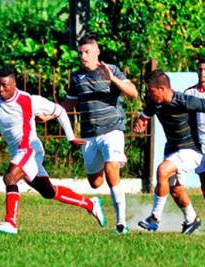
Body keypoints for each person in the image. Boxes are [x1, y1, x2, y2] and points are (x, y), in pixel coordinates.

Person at [0, 66, 106, 235]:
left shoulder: (28, 100)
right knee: (48, 191)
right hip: (17, 152)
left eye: (5, 85)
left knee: (10, 178)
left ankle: (10, 222)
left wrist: (70, 137)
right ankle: (91, 204)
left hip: (30, 149)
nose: (0, 89)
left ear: (14, 84)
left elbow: (60, 111)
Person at [62, 36, 138, 234]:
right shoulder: (77, 77)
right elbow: (68, 104)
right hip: (89, 135)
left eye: (87, 52)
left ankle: (121, 223)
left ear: (97, 53)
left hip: (112, 129)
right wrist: (48, 113)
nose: (83, 56)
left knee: (111, 170)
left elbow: (133, 93)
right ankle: (111, 164)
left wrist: (112, 79)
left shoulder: (111, 69)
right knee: (95, 183)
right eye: (81, 52)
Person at [134, 69, 203, 234]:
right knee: (175, 189)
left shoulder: (183, 100)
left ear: (163, 89)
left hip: (191, 150)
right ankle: (191, 219)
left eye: (152, 92)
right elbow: (146, 114)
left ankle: (154, 218)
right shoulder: (154, 102)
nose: (150, 95)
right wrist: (141, 122)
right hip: (172, 149)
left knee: (162, 170)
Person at [184, 57, 205, 198]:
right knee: (204, 181)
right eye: (200, 69)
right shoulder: (189, 94)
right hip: (198, 143)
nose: (202, 72)